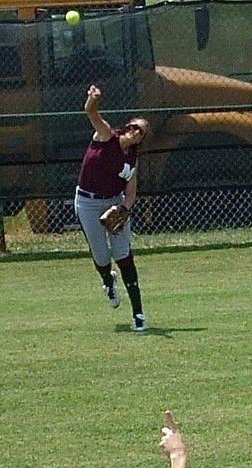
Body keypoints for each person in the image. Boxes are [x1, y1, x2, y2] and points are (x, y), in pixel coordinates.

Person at [75, 85, 150, 333]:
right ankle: (108, 281)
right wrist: (93, 99)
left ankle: (138, 313)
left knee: (123, 254)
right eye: (135, 126)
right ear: (127, 127)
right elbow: (92, 114)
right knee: (101, 257)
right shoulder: (107, 136)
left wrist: (124, 209)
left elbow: (131, 193)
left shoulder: (132, 159)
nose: (137, 131)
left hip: (114, 203)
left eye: (142, 131)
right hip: (87, 202)